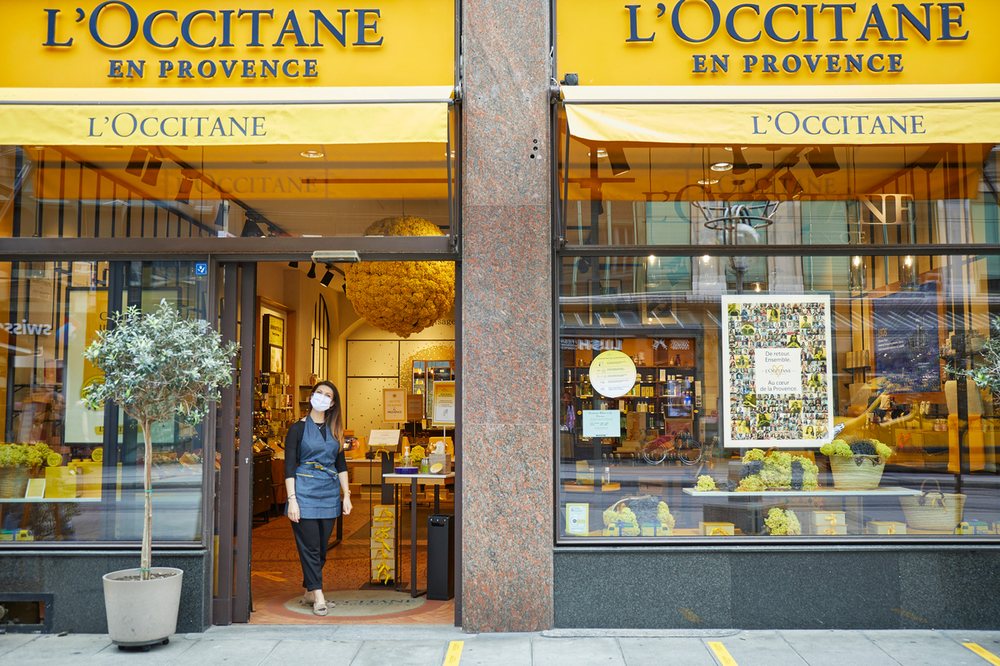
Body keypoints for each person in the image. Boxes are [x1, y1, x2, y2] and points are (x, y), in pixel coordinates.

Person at [284, 380, 353, 616]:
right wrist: (292, 499)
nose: (322, 397)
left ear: (332, 403)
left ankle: (309, 591)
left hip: (329, 493)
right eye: (319, 392)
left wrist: (346, 495)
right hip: (304, 492)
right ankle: (319, 595)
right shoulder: (297, 429)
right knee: (310, 547)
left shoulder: (336, 431)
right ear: (312, 396)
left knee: (322, 548)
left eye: (327, 395)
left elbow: (341, 465)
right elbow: (289, 466)